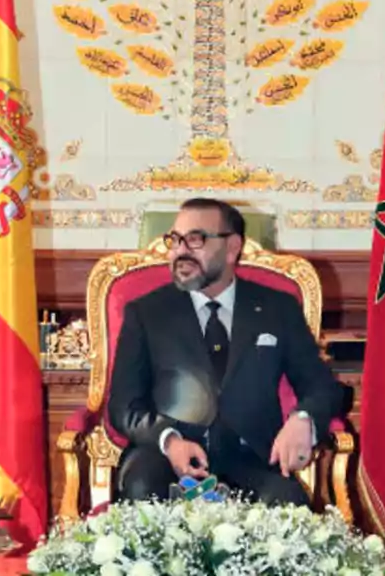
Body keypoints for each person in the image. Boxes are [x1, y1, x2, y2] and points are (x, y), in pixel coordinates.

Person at [108, 197, 347, 506]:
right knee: (143, 487)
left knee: (288, 502)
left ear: (233, 247)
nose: (181, 251)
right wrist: (169, 440)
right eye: (175, 240)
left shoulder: (277, 308)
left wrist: (303, 419)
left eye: (195, 239)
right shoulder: (147, 312)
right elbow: (124, 407)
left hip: (251, 458)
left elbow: (321, 386)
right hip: (165, 457)